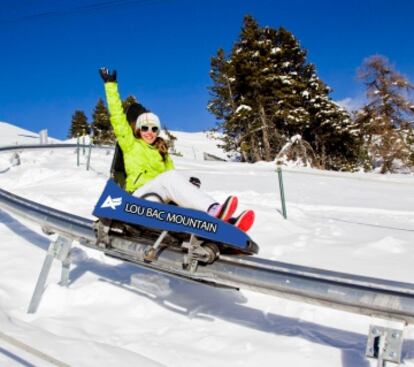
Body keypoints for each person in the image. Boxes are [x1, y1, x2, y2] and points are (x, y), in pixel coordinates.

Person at [99, 68, 254, 232]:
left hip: (159, 201)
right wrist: (110, 85)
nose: (149, 132)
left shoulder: (161, 151)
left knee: (182, 189)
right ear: (138, 130)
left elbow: (173, 184)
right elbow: (117, 116)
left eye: (153, 129)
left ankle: (225, 223)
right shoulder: (130, 144)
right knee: (170, 177)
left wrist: (187, 186)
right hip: (137, 200)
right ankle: (214, 210)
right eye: (144, 128)